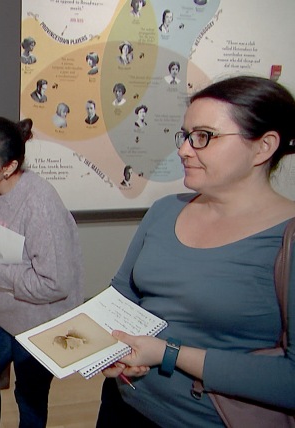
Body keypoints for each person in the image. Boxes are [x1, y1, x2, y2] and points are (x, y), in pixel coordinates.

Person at [96, 75, 295, 427]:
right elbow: (122, 296)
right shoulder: (164, 210)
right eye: (186, 136)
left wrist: (168, 354)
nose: (185, 149)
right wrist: (103, 345)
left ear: (263, 147)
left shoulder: (285, 237)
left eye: (204, 137)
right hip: (124, 403)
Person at [0, 117, 83, 428]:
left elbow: (55, 284)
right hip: (2, 314)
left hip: (39, 324)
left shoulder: (40, 204)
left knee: (29, 399)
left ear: (8, 167)